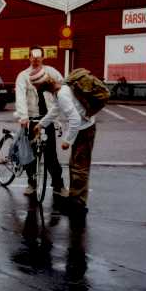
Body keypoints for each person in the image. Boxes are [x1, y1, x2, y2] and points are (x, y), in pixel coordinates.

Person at [31, 65, 97, 219]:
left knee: (79, 168)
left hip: (85, 130)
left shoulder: (62, 94)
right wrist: (41, 124)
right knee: (75, 166)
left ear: (43, 85)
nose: (37, 90)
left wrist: (67, 140)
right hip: (82, 129)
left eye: (37, 87)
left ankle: (79, 206)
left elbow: (74, 119)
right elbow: (54, 111)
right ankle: (75, 202)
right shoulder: (58, 91)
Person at [13, 46, 67, 207]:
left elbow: (62, 87)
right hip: (31, 119)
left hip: (47, 119)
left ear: (43, 57)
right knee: (30, 155)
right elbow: (20, 96)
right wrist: (23, 117)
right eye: (33, 57)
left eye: (39, 57)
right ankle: (32, 183)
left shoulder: (51, 72)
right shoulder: (23, 76)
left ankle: (58, 186)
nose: (36, 59)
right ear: (29, 57)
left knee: (51, 155)